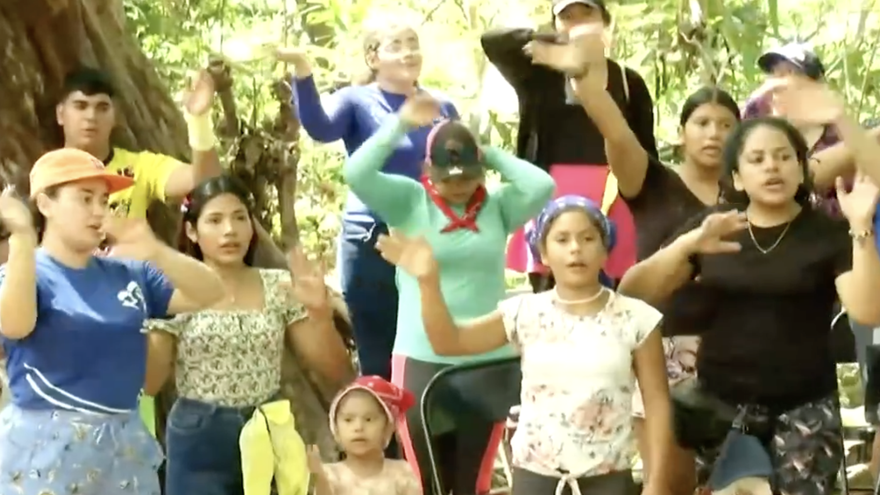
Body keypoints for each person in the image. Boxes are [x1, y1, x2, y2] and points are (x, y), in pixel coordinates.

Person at [618, 94, 880, 494]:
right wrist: (687, 246)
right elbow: (632, 293)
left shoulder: (826, 235)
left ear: (801, 169)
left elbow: (869, 309)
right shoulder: (716, 227)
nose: (771, 166)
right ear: (737, 177)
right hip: (721, 409)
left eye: (783, 157)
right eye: (756, 159)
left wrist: (860, 227)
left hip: (804, 411)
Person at [524, 26, 742, 488]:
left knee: (733, 482)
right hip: (660, 346)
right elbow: (616, 132)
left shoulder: (749, 192)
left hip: (734, 348)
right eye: (703, 122)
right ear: (681, 133)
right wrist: (588, 87)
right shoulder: (651, 180)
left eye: (727, 125)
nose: (714, 133)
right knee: (671, 481)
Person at [375, 195, 672, 495]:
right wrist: (428, 281)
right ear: (543, 252)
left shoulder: (637, 319)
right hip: (535, 480)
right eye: (562, 239)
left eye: (587, 238)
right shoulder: (524, 313)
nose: (575, 249)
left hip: (607, 480)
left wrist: (656, 483)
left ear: (605, 249)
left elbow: (657, 403)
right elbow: (448, 341)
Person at [342, 92, 554, 494]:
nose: (458, 186)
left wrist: (487, 154)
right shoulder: (407, 201)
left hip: (487, 358)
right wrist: (400, 124)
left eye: (468, 176)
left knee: (473, 481)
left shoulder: (498, 207)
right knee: (427, 481)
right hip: (422, 357)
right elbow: (357, 173)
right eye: (446, 177)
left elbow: (542, 184)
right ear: (427, 170)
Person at [0, 148, 225, 495]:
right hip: (43, 456)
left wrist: (157, 252)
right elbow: (15, 325)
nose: (97, 211)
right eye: (85, 198)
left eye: (104, 200)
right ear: (45, 204)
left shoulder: (127, 272)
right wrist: (23, 238)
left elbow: (210, 291)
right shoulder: (24, 272)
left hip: (121, 450)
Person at [274, 23, 459, 389]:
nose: (408, 52)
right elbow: (319, 127)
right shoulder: (357, 100)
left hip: (431, 239)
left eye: (413, 44)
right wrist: (302, 69)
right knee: (381, 355)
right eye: (395, 45)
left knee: (435, 348)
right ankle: (383, 442)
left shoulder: (443, 106)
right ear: (373, 58)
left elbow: (462, 171)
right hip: (371, 238)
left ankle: (429, 442)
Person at [141, 175, 352, 495]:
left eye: (240, 218)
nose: (230, 230)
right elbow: (149, 383)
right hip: (200, 438)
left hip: (269, 431)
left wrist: (321, 316)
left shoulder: (279, 285)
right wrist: (142, 318)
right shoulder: (173, 289)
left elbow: (337, 374)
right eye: (215, 220)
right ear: (191, 231)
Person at [482, 0, 657, 292]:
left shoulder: (629, 81)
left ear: (605, 21)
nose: (578, 22)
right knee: (551, 301)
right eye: (567, 17)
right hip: (548, 196)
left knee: (619, 299)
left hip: (616, 198)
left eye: (587, 13)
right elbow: (492, 40)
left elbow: (647, 154)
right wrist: (548, 44)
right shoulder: (536, 75)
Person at [308, 375, 420, 495]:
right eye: (348, 420)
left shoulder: (402, 472)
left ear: (388, 428)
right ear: (336, 430)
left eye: (368, 419)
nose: (358, 427)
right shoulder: (329, 475)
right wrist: (319, 477)